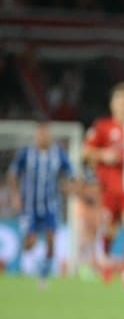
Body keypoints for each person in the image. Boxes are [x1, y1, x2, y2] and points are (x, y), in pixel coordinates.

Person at [83, 83, 124, 292]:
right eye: (119, 100)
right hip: (109, 187)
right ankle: (106, 264)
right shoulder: (102, 126)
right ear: (112, 104)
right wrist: (104, 155)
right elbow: (86, 153)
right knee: (110, 230)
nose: (123, 105)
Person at [6, 122, 75, 286]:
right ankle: (25, 265)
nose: (42, 137)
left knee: (51, 242)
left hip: (51, 206)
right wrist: (15, 196)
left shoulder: (59, 154)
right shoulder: (26, 153)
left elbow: (71, 174)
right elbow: (13, 174)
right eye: (40, 134)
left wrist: (70, 186)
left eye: (45, 134)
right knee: (30, 241)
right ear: (36, 136)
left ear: (50, 136)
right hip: (29, 207)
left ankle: (43, 276)